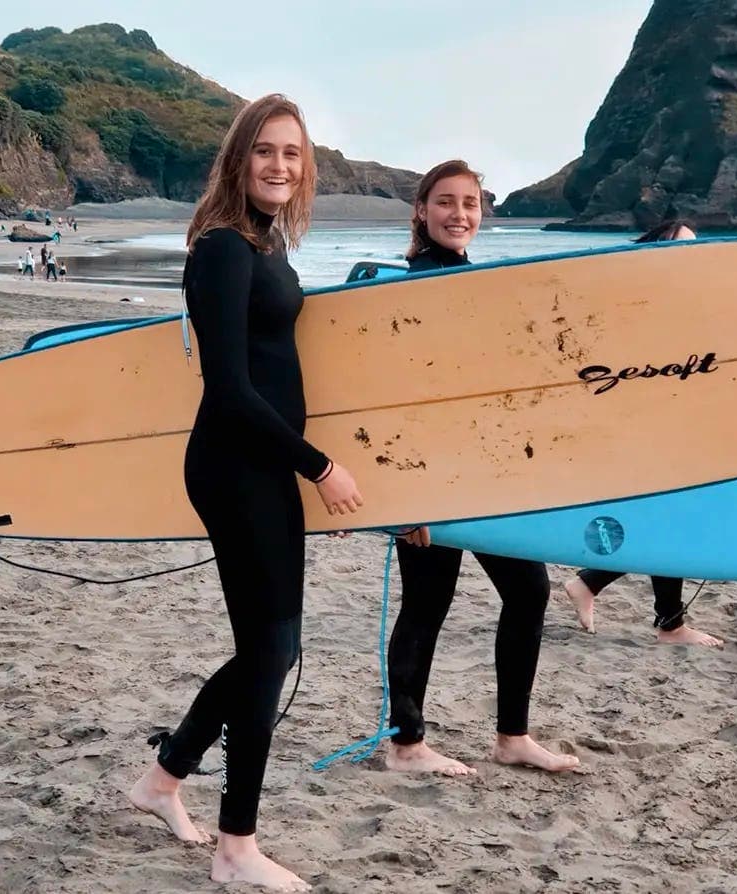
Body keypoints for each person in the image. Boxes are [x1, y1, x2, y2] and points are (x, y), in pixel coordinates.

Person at [128, 94, 362, 893]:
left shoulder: (269, 250)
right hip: (236, 465)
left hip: (261, 466)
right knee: (270, 650)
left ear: (306, 169)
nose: (279, 166)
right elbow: (227, 389)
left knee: (272, 647)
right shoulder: (223, 250)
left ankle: (164, 779)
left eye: (292, 154)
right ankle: (236, 845)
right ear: (238, 158)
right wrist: (320, 467)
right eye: (265, 151)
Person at [382, 160, 578, 778]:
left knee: (530, 591)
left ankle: (512, 737)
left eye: (469, 203)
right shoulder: (399, 290)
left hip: (486, 476)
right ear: (421, 210)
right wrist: (403, 499)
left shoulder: (485, 288)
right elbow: (388, 399)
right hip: (426, 478)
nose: (458, 214)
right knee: (425, 605)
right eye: (444, 202)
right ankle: (406, 746)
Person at [562, 218, 722, 648]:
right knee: (667, 520)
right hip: (648, 432)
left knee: (662, 520)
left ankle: (596, 586)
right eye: (680, 246)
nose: (691, 254)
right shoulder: (642, 304)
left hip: (668, 429)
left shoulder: (678, 303)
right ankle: (666, 623)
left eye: (695, 246)